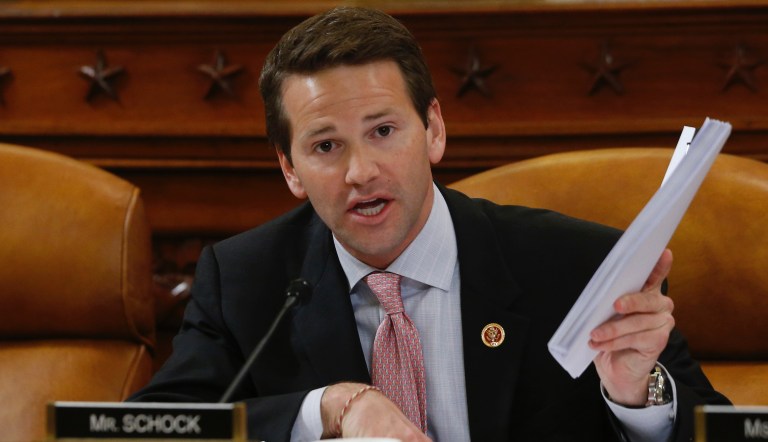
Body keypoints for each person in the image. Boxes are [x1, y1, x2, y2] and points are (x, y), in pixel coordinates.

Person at [130, 6, 729, 441]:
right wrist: (327, 409)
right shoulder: (246, 282)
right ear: (289, 168)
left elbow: (717, 430)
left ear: (434, 130)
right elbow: (151, 429)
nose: (360, 172)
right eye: (325, 146)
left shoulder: (577, 266)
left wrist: (636, 398)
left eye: (383, 132)